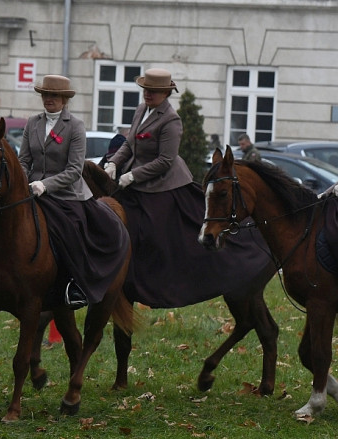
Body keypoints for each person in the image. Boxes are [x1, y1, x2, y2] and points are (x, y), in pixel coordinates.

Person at [104, 68, 272, 306]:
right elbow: (130, 143)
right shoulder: (141, 109)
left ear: (165, 93)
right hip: (136, 178)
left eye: (153, 91)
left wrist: (133, 176)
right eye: (146, 89)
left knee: (154, 231)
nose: (147, 94)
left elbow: (165, 161)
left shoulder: (171, 120)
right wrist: (113, 163)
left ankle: (158, 278)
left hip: (163, 185)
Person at [17, 75, 129, 309]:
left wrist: (45, 185)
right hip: (32, 190)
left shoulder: (75, 126)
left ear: (64, 99)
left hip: (68, 195)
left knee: (72, 232)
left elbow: (74, 170)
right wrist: (24, 181)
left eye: (54, 95)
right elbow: (24, 160)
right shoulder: (32, 123)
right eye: (46, 95)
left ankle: (76, 284)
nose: (49, 99)